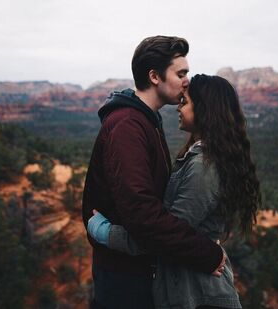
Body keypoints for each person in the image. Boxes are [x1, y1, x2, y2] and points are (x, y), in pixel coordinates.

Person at [88, 74, 262, 308]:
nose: (178, 108)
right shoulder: (203, 157)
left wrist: (106, 233)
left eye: (185, 102)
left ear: (204, 110)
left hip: (200, 296)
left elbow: (165, 236)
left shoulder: (204, 167)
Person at [82, 36, 227, 309]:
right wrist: (207, 253)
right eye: (180, 73)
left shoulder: (146, 120)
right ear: (154, 76)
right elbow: (143, 215)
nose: (187, 80)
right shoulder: (127, 126)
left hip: (140, 272)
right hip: (125, 280)